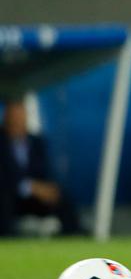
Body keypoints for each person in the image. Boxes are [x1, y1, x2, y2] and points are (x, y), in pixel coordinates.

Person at [0, 98, 82, 237]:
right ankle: (7, 238)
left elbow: (44, 171)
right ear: (5, 118)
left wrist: (46, 188)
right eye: (12, 116)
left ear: (26, 117)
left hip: (34, 197)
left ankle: (74, 234)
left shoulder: (37, 142)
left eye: (19, 116)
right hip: (9, 194)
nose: (16, 120)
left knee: (59, 194)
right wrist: (30, 187)